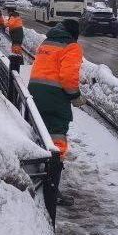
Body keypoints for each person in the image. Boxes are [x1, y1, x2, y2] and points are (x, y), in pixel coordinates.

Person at [29, 18, 85, 160]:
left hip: (34, 91)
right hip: (55, 96)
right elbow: (68, 76)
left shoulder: (46, 42)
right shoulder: (72, 47)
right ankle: (54, 167)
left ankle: (38, 158)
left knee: (40, 125)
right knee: (57, 130)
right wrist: (75, 96)